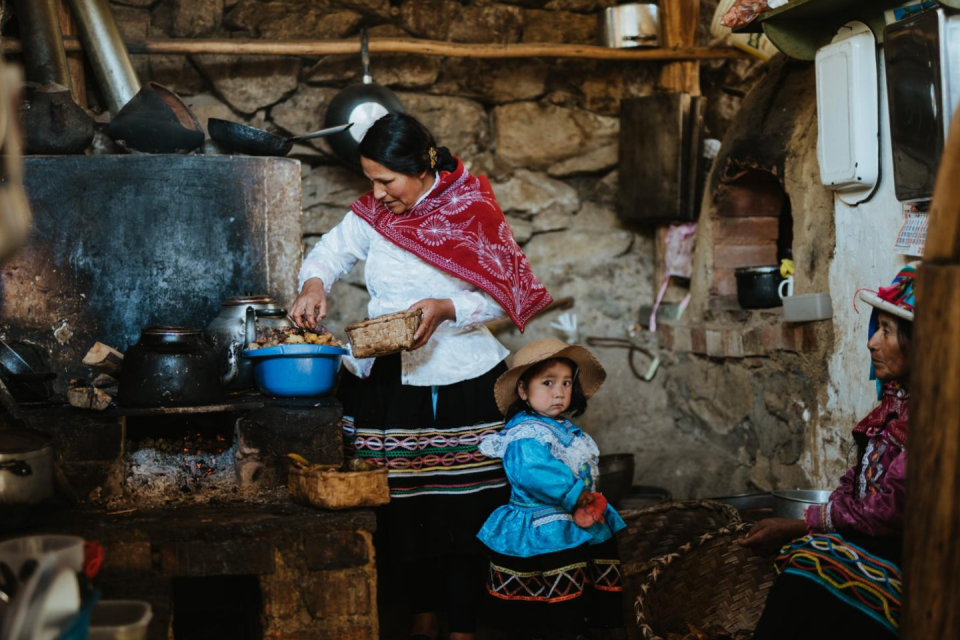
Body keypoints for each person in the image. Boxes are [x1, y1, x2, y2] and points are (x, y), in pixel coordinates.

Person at [289, 113, 553, 640]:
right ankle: (420, 615)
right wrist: (314, 283)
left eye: (386, 180)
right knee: (402, 504)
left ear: (420, 167)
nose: (378, 192)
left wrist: (447, 307)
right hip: (388, 379)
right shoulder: (372, 215)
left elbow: (504, 294)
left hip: (464, 379)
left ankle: (463, 624)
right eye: (370, 180)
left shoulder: (470, 209)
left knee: (467, 503)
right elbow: (329, 252)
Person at [740, 263, 917, 639]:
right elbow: (860, 474)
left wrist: (802, 524)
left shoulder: (934, 416)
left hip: (911, 555)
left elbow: (890, 511)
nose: (872, 341)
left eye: (886, 331)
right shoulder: (896, 402)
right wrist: (823, 515)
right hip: (874, 539)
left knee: (808, 569)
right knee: (805, 563)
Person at [476, 339, 626, 640]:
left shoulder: (562, 428)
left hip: (574, 519)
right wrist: (576, 494)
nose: (559, 392)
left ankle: (585, 629)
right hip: (544, 528)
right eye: (547, 382)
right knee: (558, 601)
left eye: (567, 383)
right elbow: (534, 471)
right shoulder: (524, 433)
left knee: (584, 591)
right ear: (523, 390)